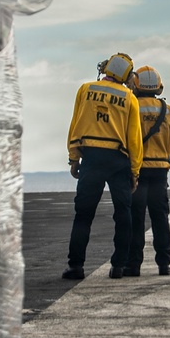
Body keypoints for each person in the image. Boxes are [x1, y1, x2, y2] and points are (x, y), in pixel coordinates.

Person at [63, 53, 143, 280]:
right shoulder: (129, 98)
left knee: (83, 215)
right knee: (123, 214)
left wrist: (73, 157)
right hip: (118, 160)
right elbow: (134, 140)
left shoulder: (85, 89)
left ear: (106, 69)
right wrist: (135, 172)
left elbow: (75, 124)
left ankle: (75, 266)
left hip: (91, 159)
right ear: (126, 75)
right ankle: (118, 266)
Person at [124, 66, 170, 277]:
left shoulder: (132, 106)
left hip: (138, 170)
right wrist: (165, 161)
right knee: (160, 219)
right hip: (160, 170)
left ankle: (133, 265)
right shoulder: (168, 110)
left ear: (135, 85)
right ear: (158, 87)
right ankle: (164, 264)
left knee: (135, 219)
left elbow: (129, 139)